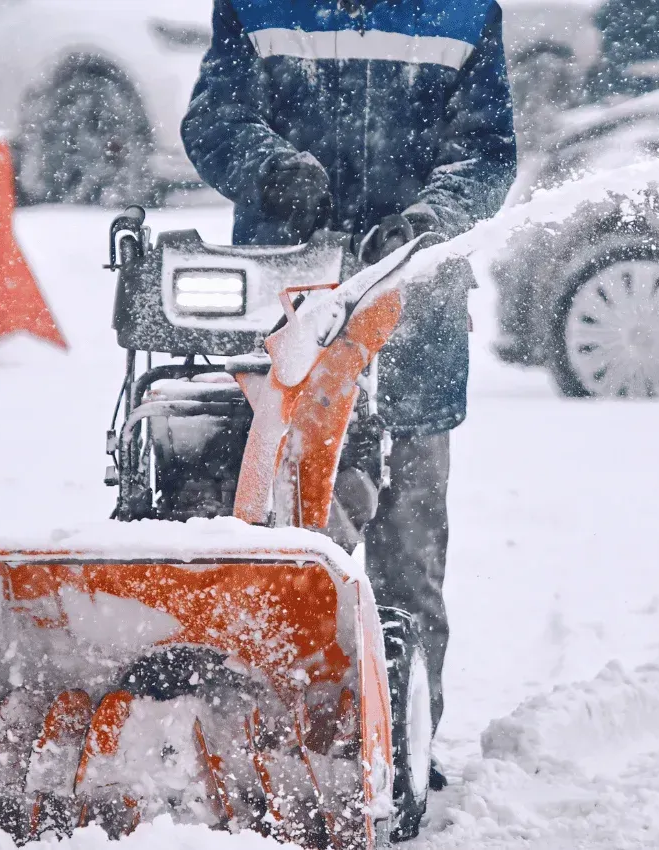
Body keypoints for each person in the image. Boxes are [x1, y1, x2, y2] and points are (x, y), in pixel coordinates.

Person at [182, 0, 518, 787]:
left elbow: (486, 153)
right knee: (273, 524)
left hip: (413, 311)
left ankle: (402, 738)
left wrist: (431, 220)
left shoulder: (464, 14)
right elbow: (216, 116)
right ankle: (256, 722)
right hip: (284, 302)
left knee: (408, 545)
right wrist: (273, 170)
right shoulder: (258, 7)